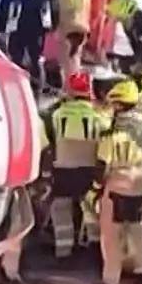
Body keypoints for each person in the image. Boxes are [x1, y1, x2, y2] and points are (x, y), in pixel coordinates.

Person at [96, 79, 142, 284]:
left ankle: (111, 281)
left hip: (117, 188)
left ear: (119, 105)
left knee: (111, 237)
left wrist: (96, 187)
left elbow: (102, 166)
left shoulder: (111, 136)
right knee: (137, 234)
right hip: (139, 187)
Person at [46, 71, 109, 260]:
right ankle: (95, 247)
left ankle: (63, 249)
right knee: (90, 207)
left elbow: (50, 138)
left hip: (64, 168)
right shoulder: (98, 116)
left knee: (61, 207)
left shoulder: (57, 114)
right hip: (90, 169)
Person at [0, 0, 54, 80]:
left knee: (37, 61)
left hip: (36, 31)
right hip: (18, 30)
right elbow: (4, 7)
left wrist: (51, 27)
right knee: (15, 60)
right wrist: (2, 28)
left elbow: (52, 8)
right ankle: (15, 83)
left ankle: (37, 88)